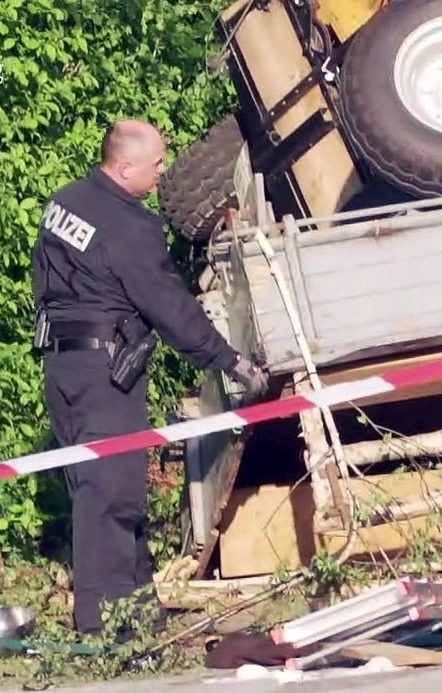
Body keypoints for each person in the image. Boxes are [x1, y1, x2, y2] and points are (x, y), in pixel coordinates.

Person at [30, 118, 268, 638]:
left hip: (63, 368)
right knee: (110, 498)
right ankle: (101, 629)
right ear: (125, 165)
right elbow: (170, 308)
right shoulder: (130, 228)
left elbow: (46, 280)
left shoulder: (65, 202)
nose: (164, 172)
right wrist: (231, 362)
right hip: (104, 373)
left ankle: (140, 615)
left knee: (109, 491)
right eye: (157, 163)